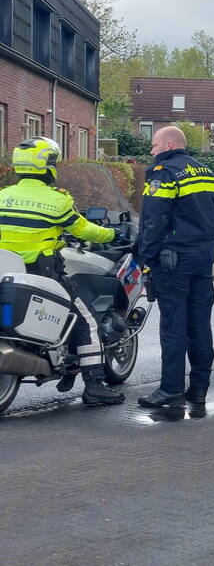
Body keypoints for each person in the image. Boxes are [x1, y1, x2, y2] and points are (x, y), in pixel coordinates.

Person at [0, 136, 128, 405]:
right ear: (47, 166)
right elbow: (84, 230)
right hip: (40, 273)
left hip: (4, 272)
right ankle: (94, 384)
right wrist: (113, 234)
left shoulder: (3, 196)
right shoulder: (57, 202)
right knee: (87, 319)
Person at [137, 126, 214, 409]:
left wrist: (145, 256)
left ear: (168, 144)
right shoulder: (206, 172)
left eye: (153, 145)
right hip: (202, 257)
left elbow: (153, 218)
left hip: (173, 261)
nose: (151, 151)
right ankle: (199, 389)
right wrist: (210, 248)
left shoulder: (163, 172)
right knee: (200, 325)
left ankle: (171, 390)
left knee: (173, 326)